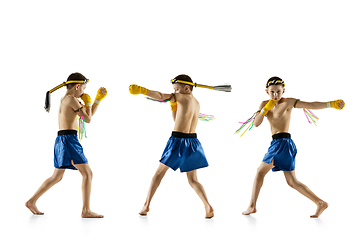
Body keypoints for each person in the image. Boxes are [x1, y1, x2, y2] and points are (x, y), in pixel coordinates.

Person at [242, 76, 345, 218]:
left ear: (283, 90)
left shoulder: (288, 102)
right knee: (292, 181)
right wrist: (265, 109)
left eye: (278, 91)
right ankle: (320, 202)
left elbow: (311, 104)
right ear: (267, 92)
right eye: (272, 92)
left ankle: (252, 206)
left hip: (283, 143)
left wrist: (331, 104)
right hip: (277, 143)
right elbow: (256, 123)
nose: (275, 95)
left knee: (260, 172)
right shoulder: (264, 103)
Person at [129, 74, 214, 218]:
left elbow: (161, 96)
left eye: (176, 89)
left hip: (178, 142)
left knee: (158, 174)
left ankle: (146, 205)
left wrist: (144, 91)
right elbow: (176, 119)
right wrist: (173, 106)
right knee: (193, 180)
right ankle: (207, 205)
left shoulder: (181, 97)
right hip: (193, 142)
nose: (174, 93)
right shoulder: (196, 102)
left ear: (186, 88)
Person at [25, 72, 107, 218]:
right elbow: (87, 119)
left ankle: (31, 201)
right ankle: (86, 210)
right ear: (77, 86)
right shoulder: (71, 100)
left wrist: (97, 100)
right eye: (83, 88)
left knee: (56, 176)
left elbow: (88, 115)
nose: (83, 92)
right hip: (69, 140)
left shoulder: (67, 99)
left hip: (64, 139)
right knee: (87, 174)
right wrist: (90, 101)